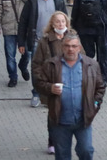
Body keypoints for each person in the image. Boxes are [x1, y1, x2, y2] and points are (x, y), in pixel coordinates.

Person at [34, 33, 106, 160]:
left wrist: (94, 105)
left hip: (83, 120)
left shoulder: (91, 65)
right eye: (67, 46)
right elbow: (39, 83)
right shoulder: (52, 64)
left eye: (74, 46)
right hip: (60, 120)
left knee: (86, 150)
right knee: (62, 155)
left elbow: (100, 87)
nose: (70, 49)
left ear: (79, 47)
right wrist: (50, 88)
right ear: (62, 47)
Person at [18, 0, 68, 107]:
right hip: (37, 41)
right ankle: (36, 94)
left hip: (55, 41)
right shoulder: (32, 2)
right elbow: (23, 23)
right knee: (37, 69)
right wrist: (21, 42)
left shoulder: (57, 1)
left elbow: (66, 20)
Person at [33, 11, 73, 155]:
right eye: (58, 22)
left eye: (63, 21)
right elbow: (36, 64)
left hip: (70, 83)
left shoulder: (73, 39)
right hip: (52, 84)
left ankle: (64, 140)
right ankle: (53, 140)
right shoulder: (45, 41)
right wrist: (43, 82)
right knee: (54, 113)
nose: (61, 24)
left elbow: (84, 59)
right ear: (52, 24)